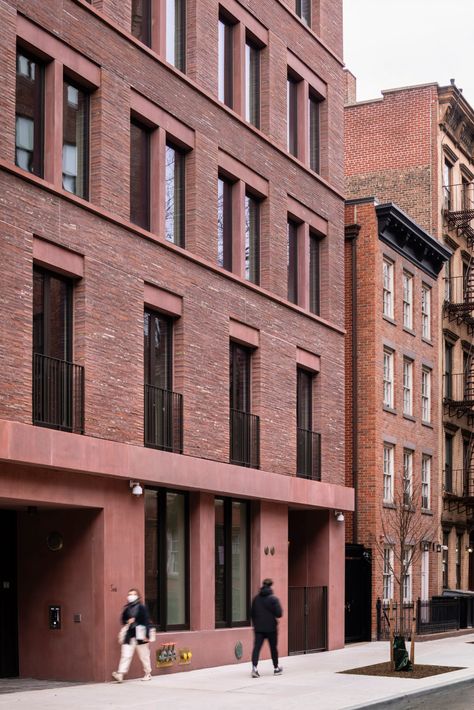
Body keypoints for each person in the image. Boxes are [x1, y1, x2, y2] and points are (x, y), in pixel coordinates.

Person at [112, 588, 152, 682]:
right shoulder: (127, 608)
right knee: (125, 655)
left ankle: (148, 673)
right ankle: (120, 674)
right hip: (129, 636)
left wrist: (147, 635)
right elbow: (122, 620)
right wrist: (128, 621)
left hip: (141, 635)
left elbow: (146, 621)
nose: (131, 596)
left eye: (133, 594)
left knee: (144, 656)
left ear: (137, 596)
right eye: (130, 594)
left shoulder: (142, 607)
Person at [250, 578, 283, 677]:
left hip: (259, 628)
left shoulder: (256, 599)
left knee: (256, 648)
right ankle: (276, 668)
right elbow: (279, 614)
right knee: (273, 648)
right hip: (271, 628)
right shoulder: (273, 599)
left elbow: (251, 614)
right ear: (271, 586)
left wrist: (256, 624)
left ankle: (254, 669)